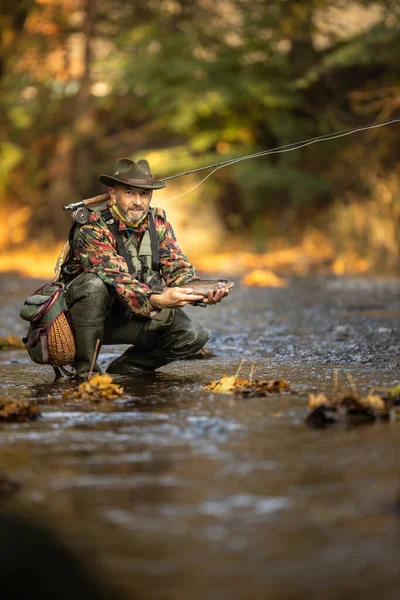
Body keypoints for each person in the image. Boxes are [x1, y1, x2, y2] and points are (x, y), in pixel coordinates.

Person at [60, 158, 230, 379]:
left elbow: (178, 269)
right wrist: (158, 300)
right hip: (83, 321)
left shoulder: (158, 224)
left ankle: (129, 368)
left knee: (194, 335)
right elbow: (117, 278)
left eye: (144, 194)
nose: (138, 202)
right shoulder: (91, 227)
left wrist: (202, 294)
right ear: (113, 194)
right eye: (130, 193)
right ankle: (87, 374)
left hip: (133, 312)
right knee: (94, 285)